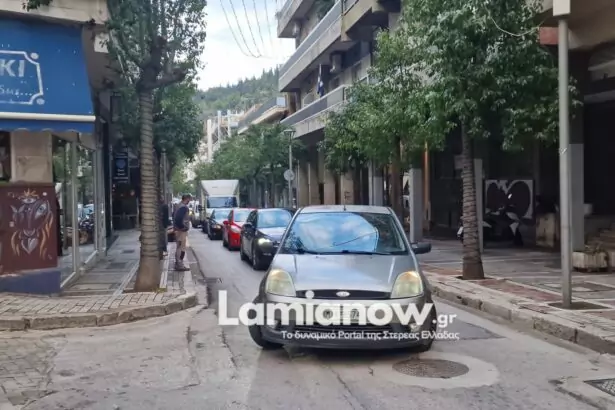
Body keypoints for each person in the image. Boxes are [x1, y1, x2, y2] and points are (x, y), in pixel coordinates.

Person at [173, 194, 192, 271]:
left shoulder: (178, 205)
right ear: (186, 199)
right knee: (181, 248)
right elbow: (178, 219)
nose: (189, 201)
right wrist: (182, 227)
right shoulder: (183, 207)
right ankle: (180, 265)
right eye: (189, 199)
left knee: (178, 247)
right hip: (181, 231)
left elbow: (174, 216)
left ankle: (178, 263)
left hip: (178, 230)